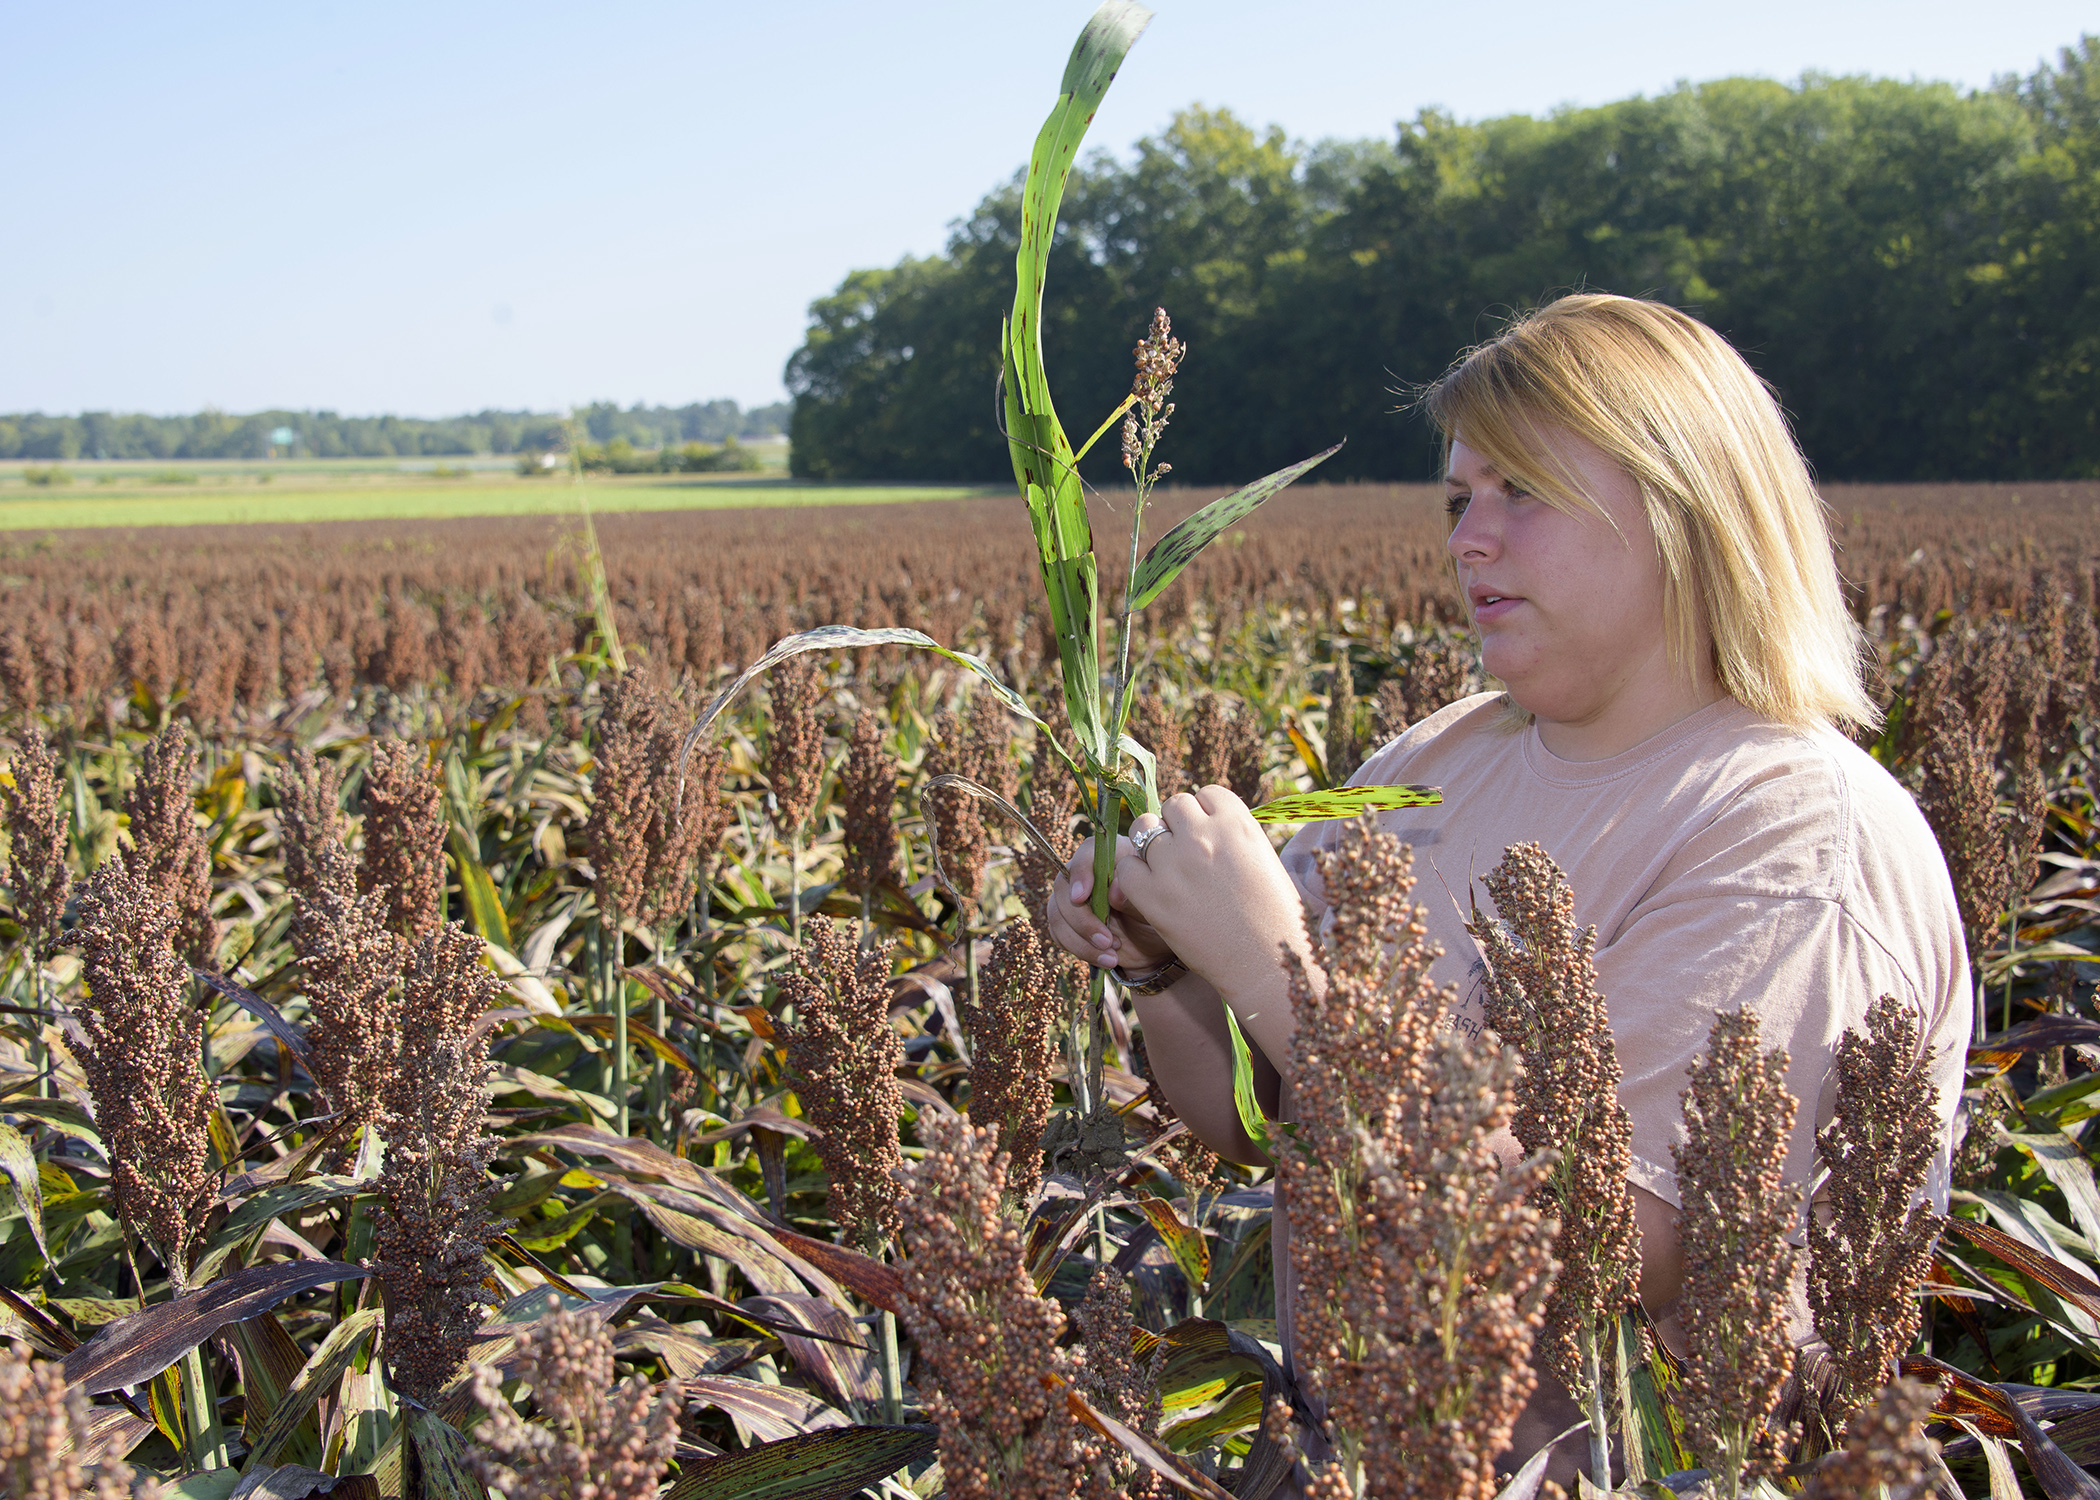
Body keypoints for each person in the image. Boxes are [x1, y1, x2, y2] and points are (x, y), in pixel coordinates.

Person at [1046, 292, 1972, 1475]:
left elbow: (1612, 1245)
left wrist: (1282, 968)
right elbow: (1240, 1122)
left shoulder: (1793, 835)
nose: (1466, 538)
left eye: (1520, 491)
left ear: (1684, 500)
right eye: (1457, 498)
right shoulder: (1437, 761)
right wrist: (1168, 954)